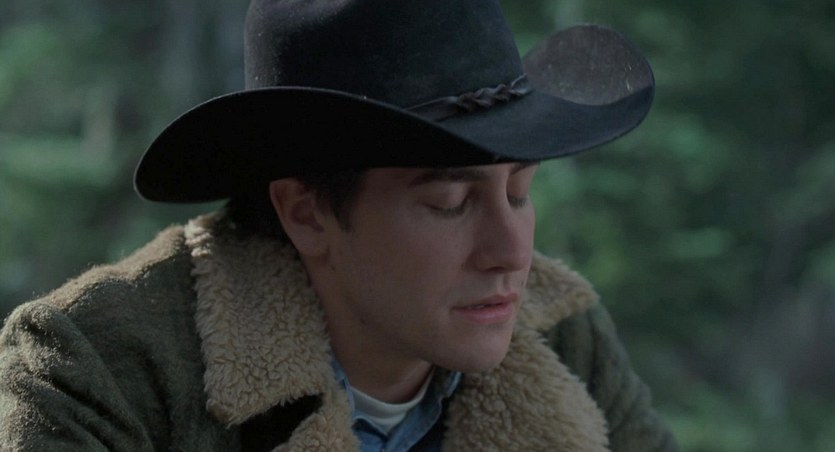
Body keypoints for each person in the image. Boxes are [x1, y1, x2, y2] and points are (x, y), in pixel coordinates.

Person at [0, 0, 678, 450]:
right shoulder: (100, 367)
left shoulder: (564, 336)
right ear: (306, 213)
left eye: (520, 192)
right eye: (449, 202)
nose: (511, 254)